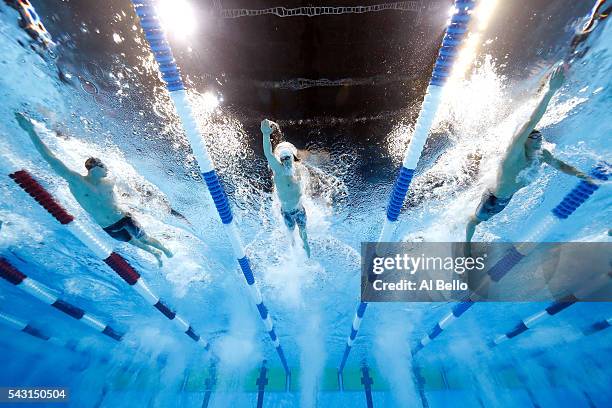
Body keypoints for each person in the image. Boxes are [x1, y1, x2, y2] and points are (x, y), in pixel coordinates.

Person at [465, 65, 599, 253]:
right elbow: (531, 122)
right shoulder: (514, 154)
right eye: (533, 137)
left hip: (506, 198)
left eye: (540, 136)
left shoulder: (541, 155)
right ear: (524, 141)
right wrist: (550, 91)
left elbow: (560, 165)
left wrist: (582, 175)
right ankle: (466, 247)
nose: (538, 138)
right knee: (474, 221)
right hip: (493, 199)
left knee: (484, 220)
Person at [15, 112, 173, 266]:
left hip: (124, 218)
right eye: (104, 167)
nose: (107, 170)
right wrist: (31, 131)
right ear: (95, 167)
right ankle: (155, 254)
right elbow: (51, 159)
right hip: (107, 226)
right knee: (135, 243)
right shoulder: (76, 181)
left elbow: (131, 192)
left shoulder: (110, 182)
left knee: (144, 239)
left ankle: (163, 249)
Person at [261, 119, 311, 257]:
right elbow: (268, 154)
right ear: (280, 161)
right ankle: (294, 254)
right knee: (291, 236)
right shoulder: (279, 170)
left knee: (304, 234)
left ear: (292, 157)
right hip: (287, 213)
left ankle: (306, 246)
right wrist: (266, 135)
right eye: (282, 159)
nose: (285, 161)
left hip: (300, 210)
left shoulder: (298, 169)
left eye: (287, 158)